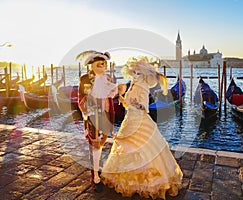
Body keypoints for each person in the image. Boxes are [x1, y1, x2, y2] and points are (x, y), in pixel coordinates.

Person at [101, 58, 183, 199]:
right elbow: (127, 105)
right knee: (125, 147)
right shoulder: (132, 85)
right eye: (134, 72)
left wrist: (136, 104)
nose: (135, 75)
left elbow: (144, 108)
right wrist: (122, 99)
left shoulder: (143, 87)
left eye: (138, 73)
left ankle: (149, 181)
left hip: (139, 120)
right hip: (129, 120)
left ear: (144, 75)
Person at [77, 51, 117, 192]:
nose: (103, 67)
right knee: (94, 146)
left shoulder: (107, 78)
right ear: (92, 65)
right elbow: (81, 98)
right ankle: (95, 178)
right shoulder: (85, 79)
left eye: (105, 64)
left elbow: (111, 95)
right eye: (100, 64)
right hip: (93, 116)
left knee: (101, 144)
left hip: (105, 115)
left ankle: (97, 170)